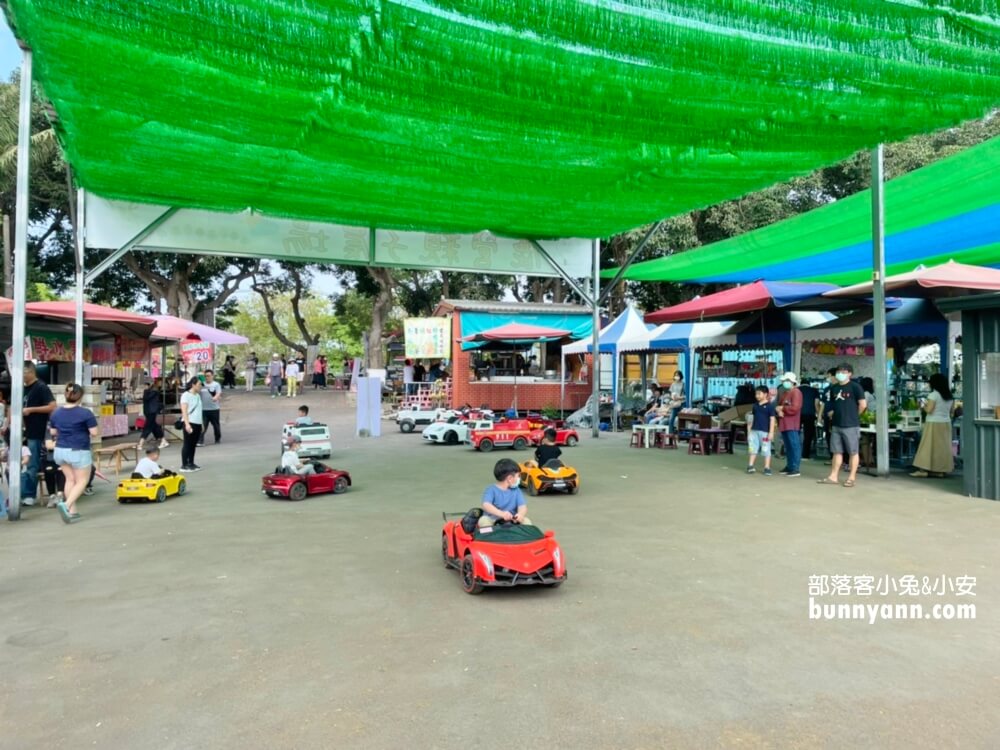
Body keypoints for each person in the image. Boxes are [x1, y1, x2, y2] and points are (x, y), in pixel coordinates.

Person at [48, 383, 98, 524]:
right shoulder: (85, 413)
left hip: (60, 451)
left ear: (66, 395)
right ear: (80, 397)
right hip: (78, 450)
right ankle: (66, 505)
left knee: (70, 480)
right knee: (82, 481)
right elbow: (94, 432)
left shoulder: (56, 413)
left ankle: (73, 511)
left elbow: (53, 432)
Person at [819, 363, 867, 488]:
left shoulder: (855, 387)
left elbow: (863, 405)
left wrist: (854, 415)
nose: (840, 374)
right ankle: (833, 476)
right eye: (839, 371)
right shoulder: (834, 388)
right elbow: (836, 404)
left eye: (844, 371)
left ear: (850, 374)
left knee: (853, 451)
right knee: (837, 451)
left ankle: (851, 477)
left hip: (851, 425)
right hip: (836, 424)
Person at [21, 361, 57, 506]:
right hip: (26, 432)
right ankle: (25, 493)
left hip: (38, 431)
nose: (22, 376)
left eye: (23, 372)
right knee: (26, 463)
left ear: (30, 371)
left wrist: (32, 410)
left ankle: (29, 495)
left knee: (32, 463)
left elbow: (52, 406)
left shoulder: (41, 387)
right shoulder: (22, 388)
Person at [910, 373, 955, 478]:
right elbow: (951, 411)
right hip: (946, 423)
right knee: (942, 448)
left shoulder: (933, 395)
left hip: (933, 423)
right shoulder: (949, 396)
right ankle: (939, 470)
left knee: (927, 446)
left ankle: (923, 470)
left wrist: (922, 405)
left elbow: (929, 410)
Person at [479, 458, 531, 527]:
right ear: (510, 478)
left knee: (527, 521)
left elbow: (522, 506)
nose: (519, 479)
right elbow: (486, 505)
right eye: (518, 476)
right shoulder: (491, 490)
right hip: (493, 520)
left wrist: (520, 514)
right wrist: (502, 514)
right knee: (484, 520)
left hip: (513, 520)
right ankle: (489, 536)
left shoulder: (517, 490)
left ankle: (526, 537)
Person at [775, 372, 802, 477]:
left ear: (793, 382)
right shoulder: (786, 392)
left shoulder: (796, 392)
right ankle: (790, 465)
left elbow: (795, 408)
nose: (784, 383)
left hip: (792, 423)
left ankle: (795, 467)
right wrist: (779, 409)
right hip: (785, 422)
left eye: (787, 381)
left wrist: (782, 409)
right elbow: (779, 405)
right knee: (788, 446)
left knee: (794, 445)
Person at [746, 385, 777, 476]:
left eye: (759, 394)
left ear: (766, 394)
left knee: (766, 449)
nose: (757, 396)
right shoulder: (755, 406)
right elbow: (752, 418)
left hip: (765, 432)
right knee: (752, 448)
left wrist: (771, 432)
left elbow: (772, 419)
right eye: (756, 394)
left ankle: (767, 467)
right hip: (754, 431)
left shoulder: (770, 406)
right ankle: (750, 465)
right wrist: (749, 430)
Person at [179, 377, 204, 472]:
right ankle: (184, 464)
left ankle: (191, 462)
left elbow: (199, 410)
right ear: (193, 385)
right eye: (199, 384)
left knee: (193, 444)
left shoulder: (197, 396)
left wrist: (202, 424)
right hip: (190, 422)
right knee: (187, 444)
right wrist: (187, 424)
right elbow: (184, 411)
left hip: (197, 422)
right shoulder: (186, 395)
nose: (200, 386)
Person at [140, 379, 169, 449]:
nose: (144, 387)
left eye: (146, 385)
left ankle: (140, 444)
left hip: (151, 412)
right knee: (155, 426)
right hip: (150, 412)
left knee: (147, 427)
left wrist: (145, 390)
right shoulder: (152, 391)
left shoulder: (153, 391)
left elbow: (146, 398)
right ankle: (163, 440)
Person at [798, 379, 820, 460]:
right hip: (810, 414)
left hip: (797, 414)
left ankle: (795, 453)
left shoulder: (796, 389)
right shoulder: (814, 390)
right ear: (809, 384)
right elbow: (816, 403)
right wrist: (819, 415)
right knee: (808, 435)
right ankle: (805, 455)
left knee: (796, 434)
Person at [198, 369, 222, 445]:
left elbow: (218, 393)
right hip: (204, 409)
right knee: (203, 426)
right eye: (205, 376)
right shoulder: (202, 384)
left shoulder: (216, 384)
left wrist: (216, 397)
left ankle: (217, 438)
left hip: (214, 409)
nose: (207, 377)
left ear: (212, 376)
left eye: (208, 376)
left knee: (216, 425)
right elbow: (197, 392)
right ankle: (200, 440)